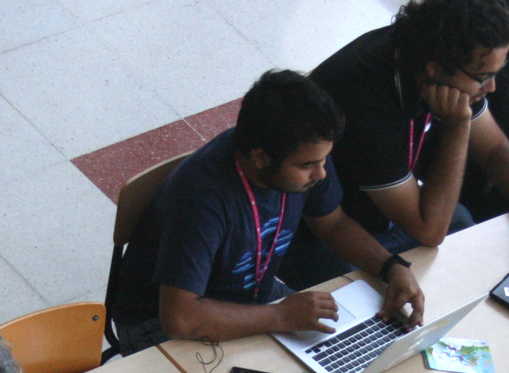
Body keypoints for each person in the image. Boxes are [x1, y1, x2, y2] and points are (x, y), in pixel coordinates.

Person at [108, 69, 426, 356]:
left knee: (350, 351)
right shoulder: (201, 199)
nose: (321, 174)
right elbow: (180, 318)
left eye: (323, 159)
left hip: (250, 296)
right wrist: (280, 317)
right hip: (159, 324)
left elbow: (333, 224)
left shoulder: (303, 152)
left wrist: (391, 267)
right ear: (260, 158)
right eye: (307, 166)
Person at [281, 0, 509, 290]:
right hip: (325, 235)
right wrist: (457, 127)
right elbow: (429, 230)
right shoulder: (364, 100)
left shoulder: (436, 66)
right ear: (435, 68)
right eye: (483, 79)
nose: (492, 89)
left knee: (463, 230)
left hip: (388, 213)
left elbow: (495, 148)